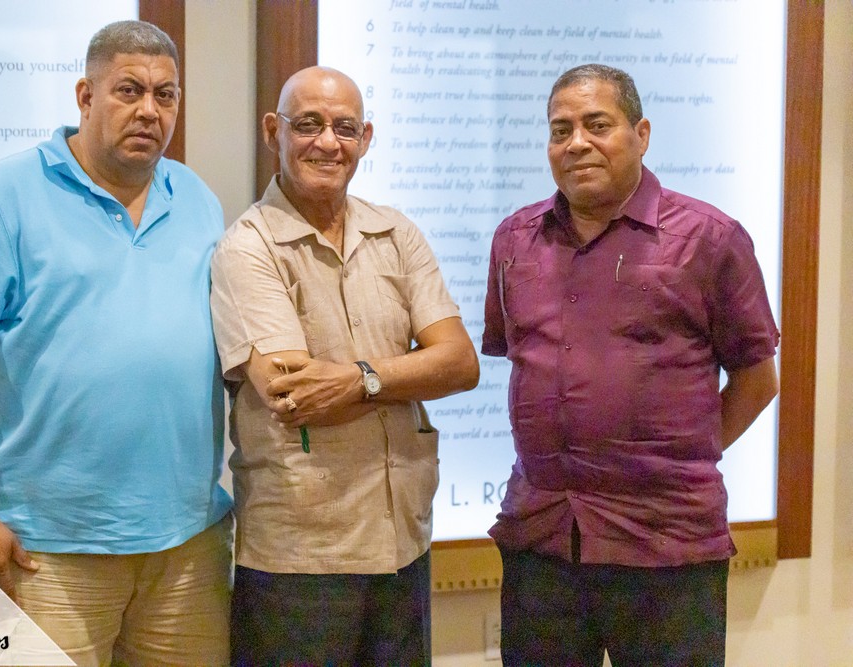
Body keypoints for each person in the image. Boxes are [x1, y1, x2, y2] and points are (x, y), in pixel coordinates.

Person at [0, 20, 232, 666]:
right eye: (129, 90)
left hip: (186, 549)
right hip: (46, 551)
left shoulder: (196, 199)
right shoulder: (2, 197)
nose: (149, 110)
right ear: (86, 96)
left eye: (166, 95)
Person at [482, 63, 780, 666]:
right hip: (543, 539)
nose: (577, 143)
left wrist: (674, 457)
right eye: (560, 130)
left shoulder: (709, 239)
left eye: (597, 125)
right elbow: (519, 362)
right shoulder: (515, 239)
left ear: (641, 134)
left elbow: (757, 380)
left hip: (665, 544)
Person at [210, 65, 480, 665]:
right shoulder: (247, 247)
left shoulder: (397, 233)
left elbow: (460, 362)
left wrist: (359, 378)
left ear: (366, 138)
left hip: (404, 545)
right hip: (299, 562)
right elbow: (294, 395)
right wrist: (411, 371)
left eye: (345, 127)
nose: (328, 142)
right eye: (308, 124)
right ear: (273, 131)